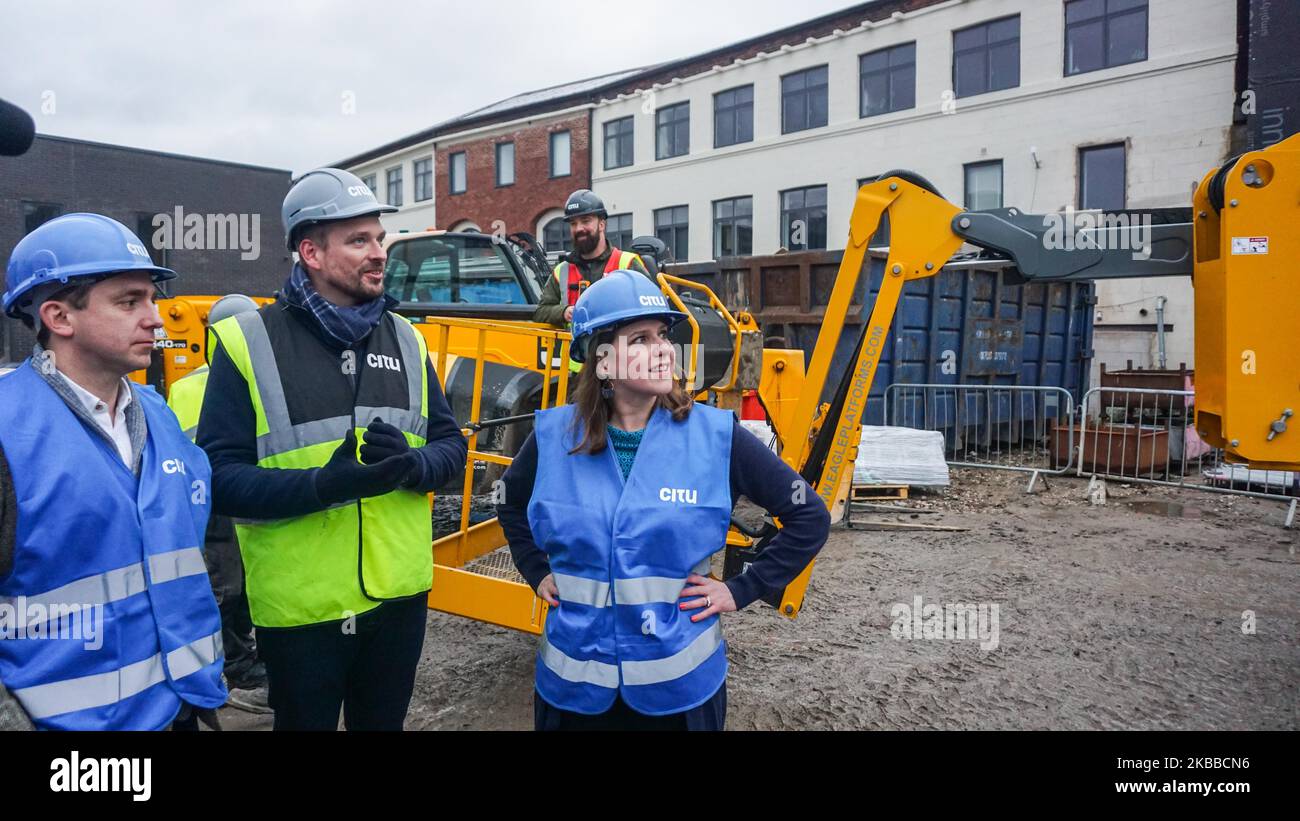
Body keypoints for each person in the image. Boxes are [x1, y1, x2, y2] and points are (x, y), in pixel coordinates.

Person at [498, 270, 830, 730]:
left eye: (662, 336)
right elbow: (508, 502)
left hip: (680, 693)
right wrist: (536, 570)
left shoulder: (715, 436)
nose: (662, 351)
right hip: (572, 693)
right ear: (602, 362)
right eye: (639, 339)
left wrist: (741, 589)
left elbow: (808, 515)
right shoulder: (553, 437)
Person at [198, 168, 468, 731]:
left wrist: (414, 465)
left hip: (399, 599)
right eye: (358, 240)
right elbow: (220, 479)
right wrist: (324, 486)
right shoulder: (249, 342)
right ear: (311, 253)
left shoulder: (407, 336)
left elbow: (450, 447)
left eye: (378, 238)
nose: (378, 253)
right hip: (302, 613)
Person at [0, 213, 227, 730]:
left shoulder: (159, 415)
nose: (156, 319)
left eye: (151, 298)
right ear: (59, 317)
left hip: (184, 709)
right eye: (129, 302)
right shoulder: (7, 431)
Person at [167, 293, 269, 714]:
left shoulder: (183, 385)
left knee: (224, 586)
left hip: (206, 499)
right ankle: (242, 666)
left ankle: (236, 663)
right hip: (241, 497)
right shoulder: (259, 380)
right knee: (240, 585)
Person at [533, 189, 651, 339]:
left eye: (585, 221)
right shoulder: (561, 271)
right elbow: (540, 312)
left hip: (620, 356)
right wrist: (564, 312)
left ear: (602, 224)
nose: (578, 229)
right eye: (573, 223)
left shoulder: (628, 264)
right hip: (576, 360)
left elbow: (652, 310)